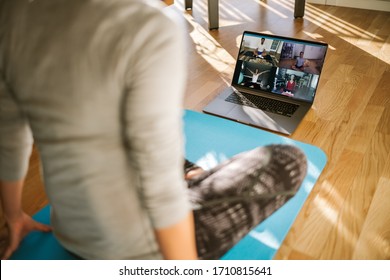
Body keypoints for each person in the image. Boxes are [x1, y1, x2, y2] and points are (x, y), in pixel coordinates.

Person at [0, 0, 307, 260]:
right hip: (137, 249)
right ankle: (194, 180)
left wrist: (14, 217)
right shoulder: (147, 24)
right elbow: (159, 187)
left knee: (132, 130)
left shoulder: (14, 14)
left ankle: (193, 177)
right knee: (289, 160)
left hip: (70, 229)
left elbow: (9, 137)